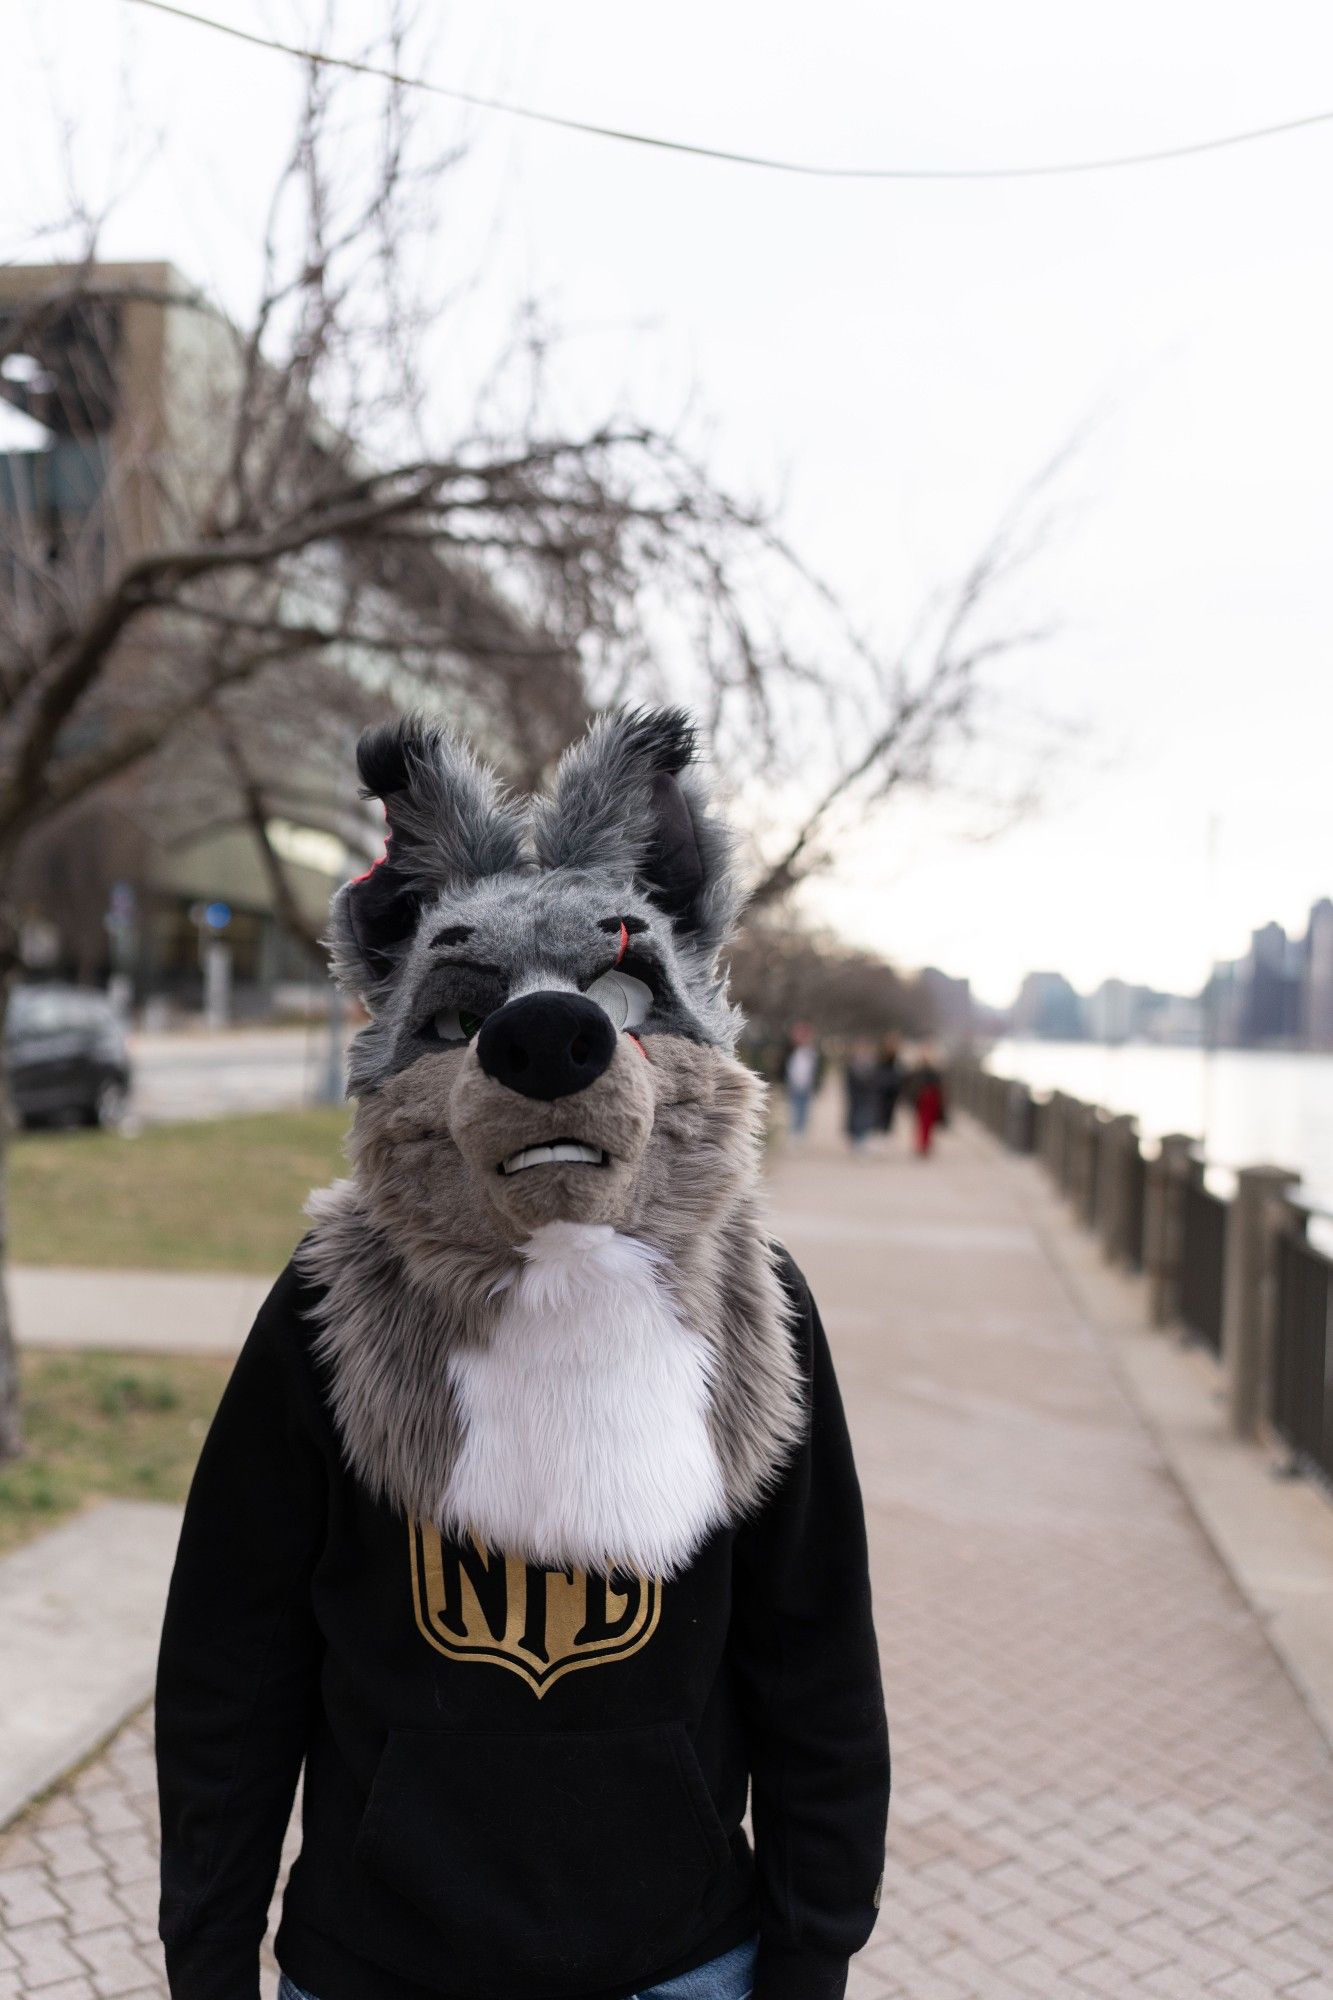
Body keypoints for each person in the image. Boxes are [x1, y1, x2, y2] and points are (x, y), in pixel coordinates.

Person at [155, 709, 890, 2000]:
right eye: (465, 1013)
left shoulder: (754, 1309)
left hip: (681, 1961)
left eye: (615, 997)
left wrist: (811, 1950)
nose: (550, 1044)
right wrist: (206, 1955)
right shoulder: (331, 1312)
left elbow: (815, 1657)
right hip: (378, 1962)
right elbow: (233, 1656)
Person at [782, 1020, 821, 1139]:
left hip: (807, 1085)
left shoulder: (812, 1051)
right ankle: (794, 1132)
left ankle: (801, 1132)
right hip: (793, 1084)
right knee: (794, 1109)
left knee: (805, 1109)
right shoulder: (789, 1050)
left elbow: (817, 1069)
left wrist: (817, 1084)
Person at [908, 1047, 947, 1156]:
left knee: (926, 1124)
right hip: (923, 1100)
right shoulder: (920, 1071)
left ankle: (924, 1144)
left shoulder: (930, 1071)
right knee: (923, 1124)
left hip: (930, 1100)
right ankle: (922, 1144)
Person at [842, 1037, 880, 1150]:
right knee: (855, 1119)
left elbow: (875, 1081)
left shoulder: (872, 1065)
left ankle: (863, 1141)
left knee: (866, 1119)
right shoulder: (852, 1065)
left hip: (867, 1097)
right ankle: (856, 1140)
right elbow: (848, 1082)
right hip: (856, 1097)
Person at [873, 1033, 903, 1137]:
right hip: (881, 1087)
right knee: (879, 1109)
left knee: (889, 1111)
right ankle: (878, 1128)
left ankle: (886, 1130)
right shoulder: (880, 1057)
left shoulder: (898, 1059)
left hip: (893, 1089)